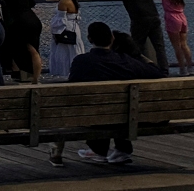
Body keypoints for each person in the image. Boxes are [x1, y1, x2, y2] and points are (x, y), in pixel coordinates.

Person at [50, 21, 165, 167]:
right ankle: (115, 150)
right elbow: (157, 73)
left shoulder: (81, 62)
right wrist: (138, 55)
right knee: (120, 108)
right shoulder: (125, 61)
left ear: (90, 39)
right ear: (112, 39)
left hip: (93, 117)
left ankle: (76, 152)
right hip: (126, 116)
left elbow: (72, 91)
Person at [101, 0, 169, 74]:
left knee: (136, 46)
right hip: (153, 14)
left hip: (139, 17)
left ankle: (138, 70)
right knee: (159, 46)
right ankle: (164, 71)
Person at [0, 0, 42, 84]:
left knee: (15, 48)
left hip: (19, 22)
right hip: (33, 20)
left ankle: (20, 74)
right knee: (34, 51)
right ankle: (35, 79)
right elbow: (32, 3)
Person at [48, 0, 84, 79]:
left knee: (63, 54)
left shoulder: (63, 2)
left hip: (66, 29)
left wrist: (55, 32)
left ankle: (63, 74)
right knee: (73, 52)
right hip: (74, 28)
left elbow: (60, 21)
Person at [155, 0, 190, 76]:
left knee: (176, 46)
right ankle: (190, 67)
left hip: (172, 19)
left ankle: (182, 69)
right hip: (182, 18)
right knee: (184, 44)